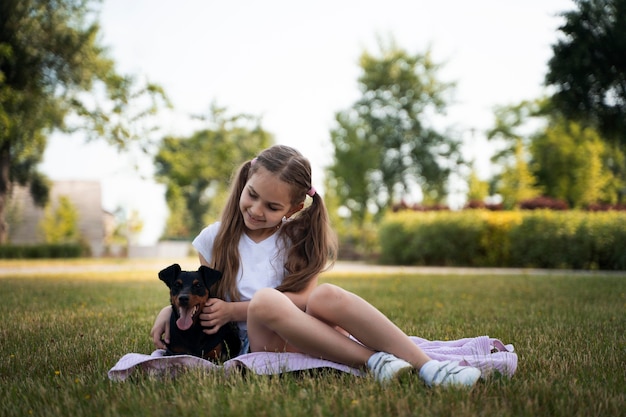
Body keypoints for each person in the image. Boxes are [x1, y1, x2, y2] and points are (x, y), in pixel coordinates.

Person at [150, 144, 481, 387]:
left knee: (326, 295)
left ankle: (429, 367)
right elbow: (200, 293)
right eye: (252, 195)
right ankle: (373, 360)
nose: (255, 209)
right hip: (259, 341)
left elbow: (306, 301)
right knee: (266, 300)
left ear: (293, 209)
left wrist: (235, 310)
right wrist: (172, 312)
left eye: (272, 206)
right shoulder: (214, 238)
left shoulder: (296, 239)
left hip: (306, 328)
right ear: (246, 180)